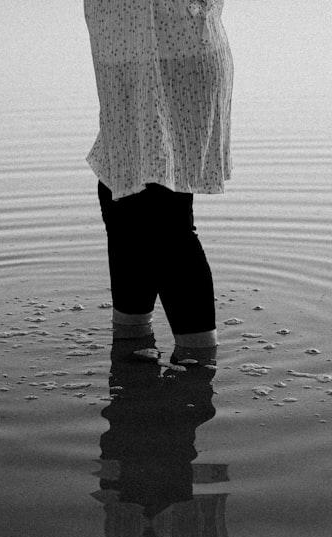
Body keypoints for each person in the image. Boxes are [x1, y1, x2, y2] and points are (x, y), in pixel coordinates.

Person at [84, 0, 232, 363]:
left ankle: (197, 371)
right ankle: (131, 350)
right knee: (120, 198)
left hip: (174, 53)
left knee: (161, 213)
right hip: (121, 51)